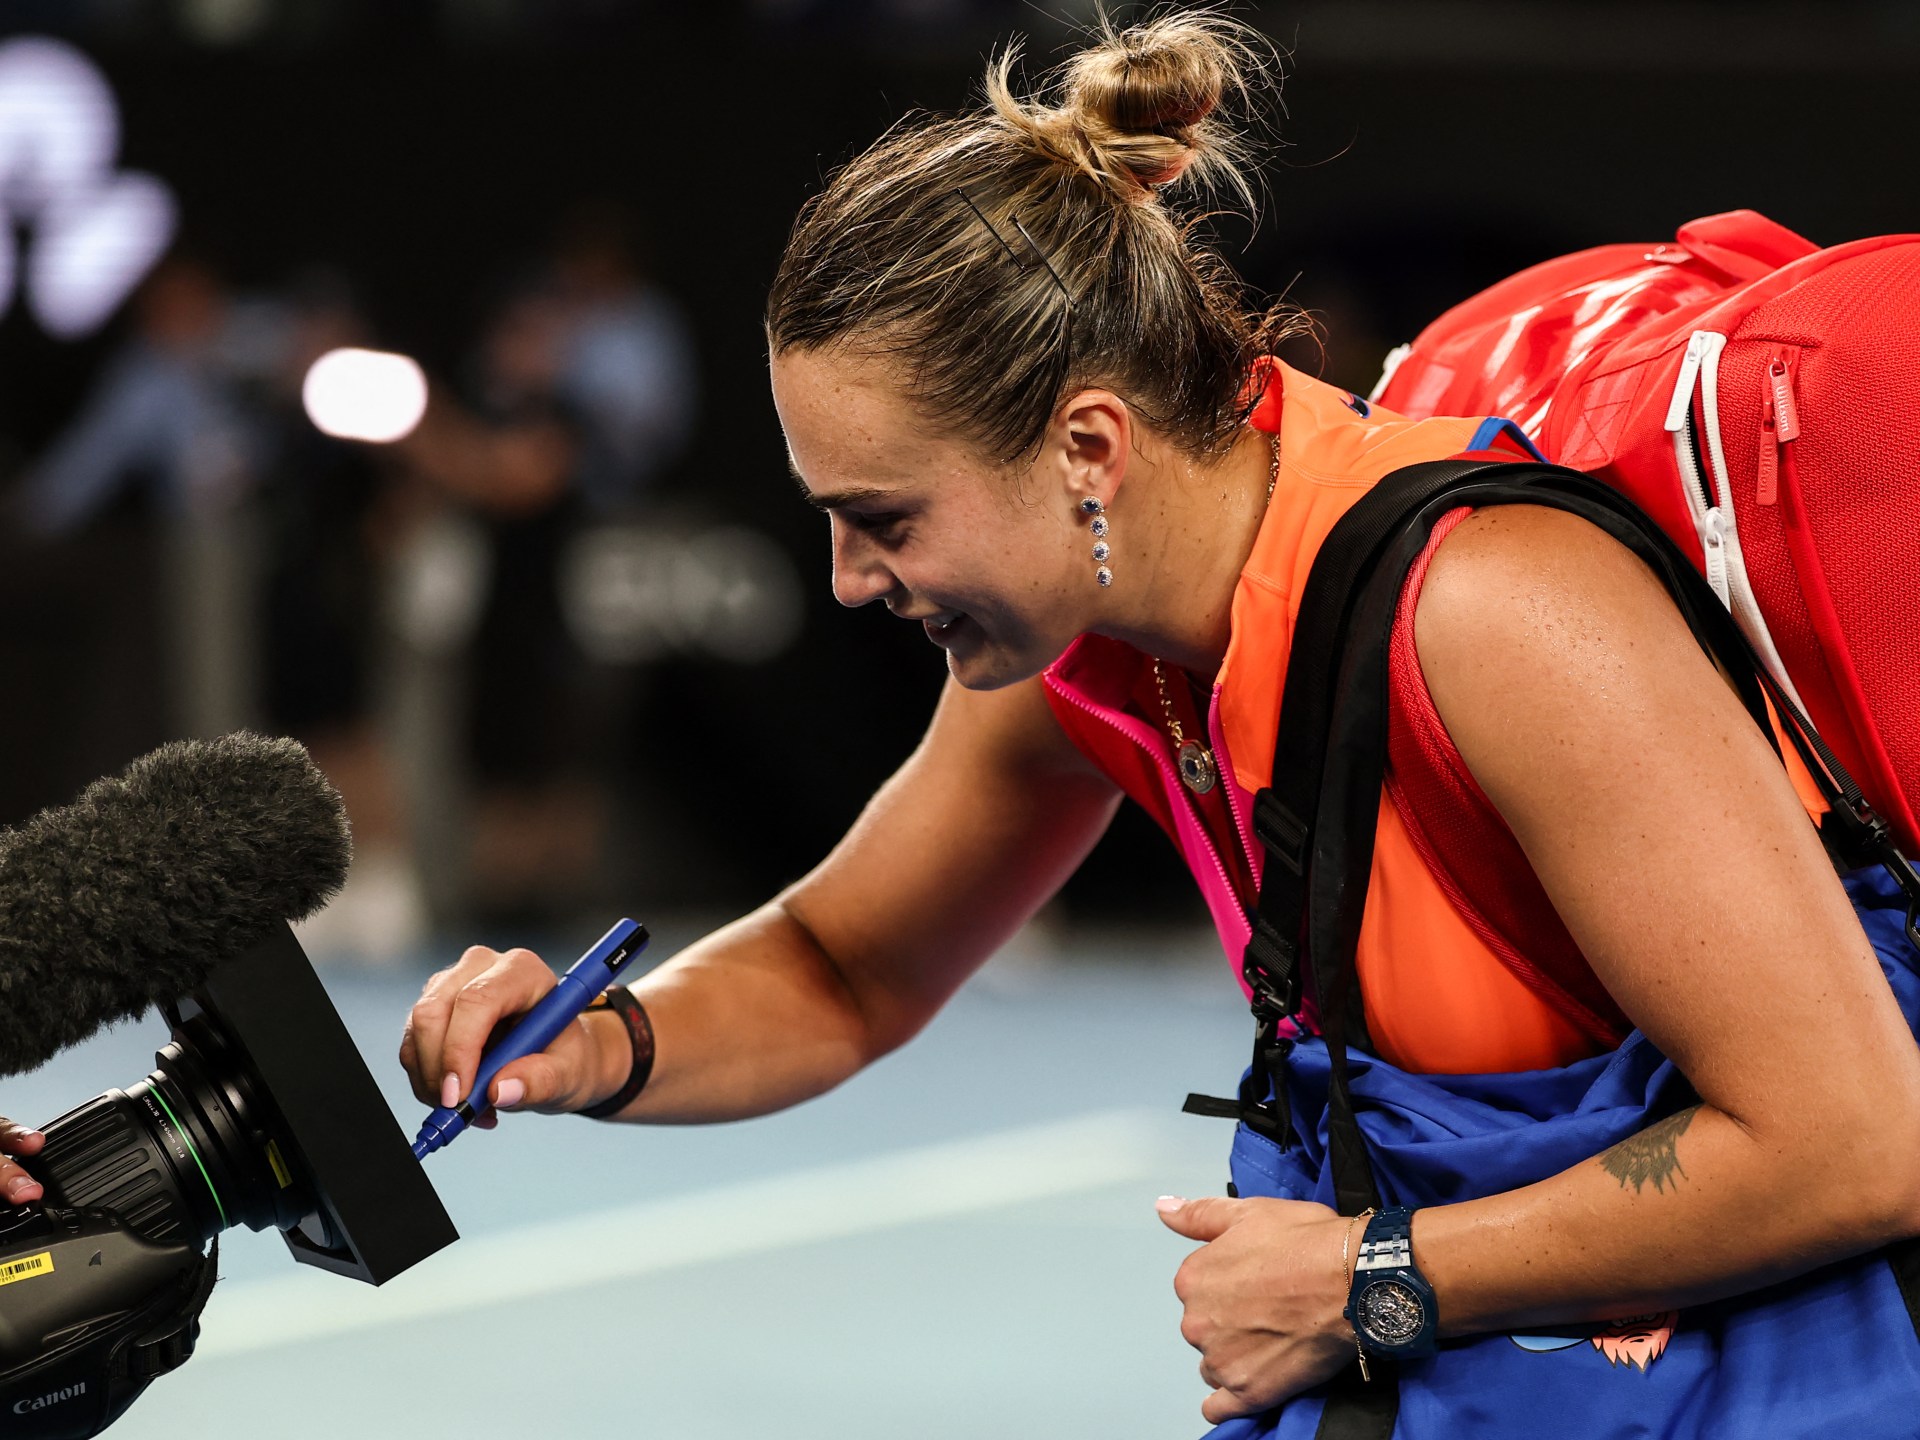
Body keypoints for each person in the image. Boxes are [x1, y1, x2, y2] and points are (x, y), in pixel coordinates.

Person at [398, 13, 1920, 1433]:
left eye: (884, 519)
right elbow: (843, 965)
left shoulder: (1493, 615)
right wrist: (599, 1046)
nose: (853, 582)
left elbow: (1856, 1139)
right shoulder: (1089, 651)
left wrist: (1368, 1280)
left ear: (1088, 446)